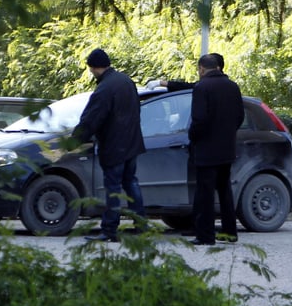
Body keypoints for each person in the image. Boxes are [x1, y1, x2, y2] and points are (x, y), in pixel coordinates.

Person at [73, 48, 147, 242]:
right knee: (131, 183)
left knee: (113, 188)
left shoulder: (105, 88)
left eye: (90, 69)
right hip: (132, 143)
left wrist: (75, 139)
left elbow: (93, 117)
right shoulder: (126, 81)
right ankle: (141, 225)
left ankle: (109, 230)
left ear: (94, 67)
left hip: (115, 146)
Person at [187, 53, 244, 245]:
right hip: (227, 148)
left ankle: (205, 235)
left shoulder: (201, 87)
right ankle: (229, 232)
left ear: (202, 69)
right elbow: (239, 116)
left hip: (206, 149)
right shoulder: (232, 86)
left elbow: (199, 119)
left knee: (205, 193)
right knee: (225, 190)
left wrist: (193, 137)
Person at [145, 53, 226, 91]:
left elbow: (188, 87)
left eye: (205, 68)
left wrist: (160, 83)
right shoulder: (233, 87)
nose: (200, 72)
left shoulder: (205, 87)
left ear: (217, 68)